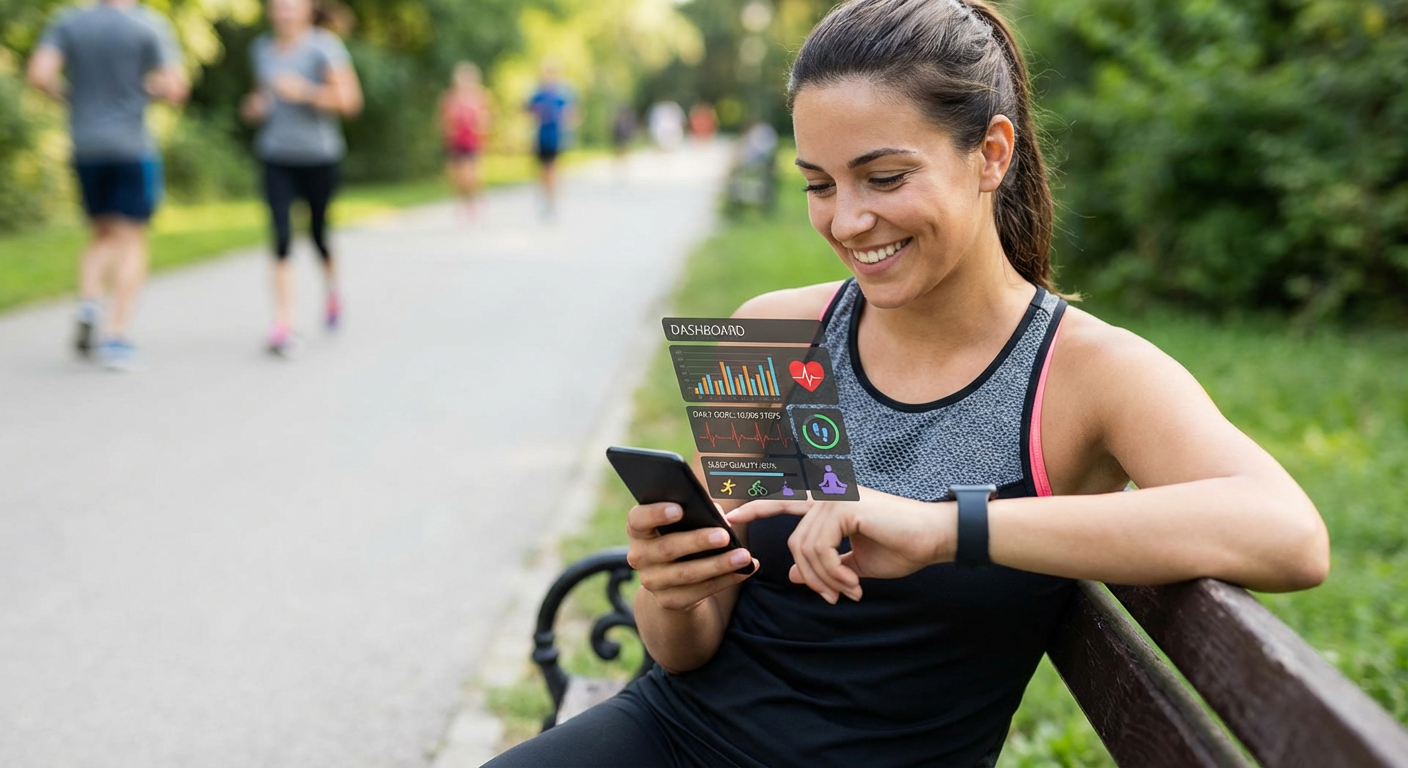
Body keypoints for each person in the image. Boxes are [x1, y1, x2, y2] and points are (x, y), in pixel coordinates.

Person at [486, 1, 1330, 766]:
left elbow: (1289, 535)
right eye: (819, 184)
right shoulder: (776, 330)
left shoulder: (1084, 372)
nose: (847, 221)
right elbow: (686, 648)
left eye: (884, 178)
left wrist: (941, 528)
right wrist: (670, 592)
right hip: (676, 734)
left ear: (990, 153)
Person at [26, 0, 188, 371]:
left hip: (86, 145)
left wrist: (69, 95)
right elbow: (175, 88)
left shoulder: (69, 22)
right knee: (131, 236)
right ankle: (115, 336)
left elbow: (38, 75)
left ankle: (88, 301)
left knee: (101, 232)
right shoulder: (148, 25)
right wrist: (148, 90)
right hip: (131, 145)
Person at [240, 0, 362, 356]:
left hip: (319, 157)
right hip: (275, 155)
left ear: (309, 8)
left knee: (318, 234)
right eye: (278, 4)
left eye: (292, 4)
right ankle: (283, 323)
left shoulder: (325, 47)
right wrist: (255, 107)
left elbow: (350, 102)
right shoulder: (261, 49)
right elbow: (261, 96)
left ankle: (332, 290)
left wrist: (305, 92)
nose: (284, 10)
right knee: (279, 235)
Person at [525, 62, 575, 218]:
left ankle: (552, 200)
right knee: (542, 170)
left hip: (556, 137)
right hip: (540, 137)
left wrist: (566, 127)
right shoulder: (537, 94)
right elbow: (527, 112)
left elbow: (572, 114)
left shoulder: (562, 95)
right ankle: (545, 196)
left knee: (553, 169)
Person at [439, 61, 490, 215]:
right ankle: (462, 202)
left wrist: (480, 127)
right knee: (456, 176)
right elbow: (443, 119)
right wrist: (447, 133)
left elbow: (486, 119)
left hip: (472, 142)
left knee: (470, 174)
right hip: (454, 142)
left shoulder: (480, 97)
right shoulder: (449, 98)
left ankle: (474, 201)